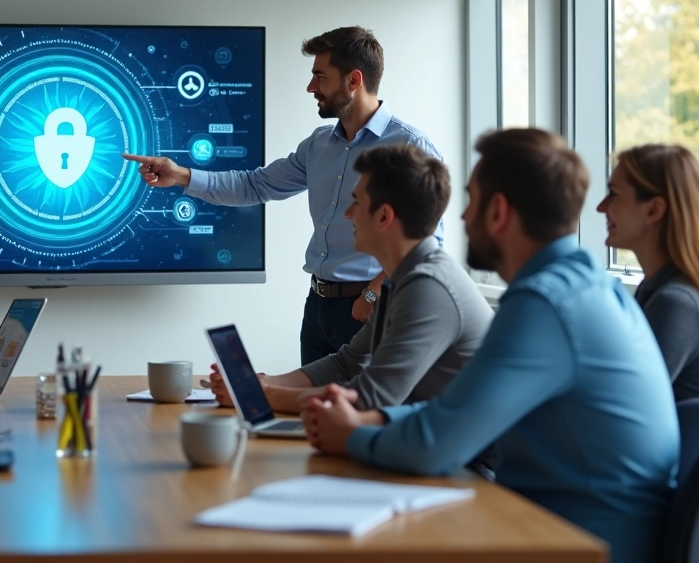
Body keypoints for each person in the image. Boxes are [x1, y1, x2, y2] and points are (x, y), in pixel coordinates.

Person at [301, 128, 678, 563]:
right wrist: (374, 419)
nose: (462, 217)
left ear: (498, 211)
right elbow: (455, 409)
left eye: (471, 200)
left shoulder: (545, 303)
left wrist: (352, 435)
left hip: (580, 542)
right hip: (567, 524)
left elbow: (435, 446)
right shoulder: (581, 285)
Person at [124, 26, 443, 366]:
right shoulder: (318, 144)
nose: (311, 87)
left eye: (320, 76)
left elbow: (429, 242)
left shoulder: (409, 147)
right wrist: (181, 175)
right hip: (318, 306)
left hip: (369, 306)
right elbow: (254, 185)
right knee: (310, 399)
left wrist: (373, 293)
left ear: (353, 80)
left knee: (364, 401)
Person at [207, 145, 492, 414]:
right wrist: (262, 383)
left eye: (355, 202)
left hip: (463, 452)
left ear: (383, 216)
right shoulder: (400, 279)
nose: (347, 214)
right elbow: (346, 364)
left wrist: (258, 396)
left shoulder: (428, 288)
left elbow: (371, 398)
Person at [598, 144, 699, 403]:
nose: (601, 207)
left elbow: (620, 402)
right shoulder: (657, 287)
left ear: (654, 210)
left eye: (614, 194)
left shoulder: (676, 302)